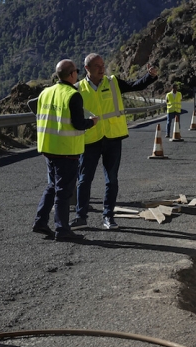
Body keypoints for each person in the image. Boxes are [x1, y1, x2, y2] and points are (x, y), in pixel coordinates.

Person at [70, 53, 157, 231]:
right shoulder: (77, 89)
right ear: (87, 69)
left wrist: (150, 76)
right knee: (84, 180)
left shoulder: (113, 82)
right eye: (97, 66)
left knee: (111, 180)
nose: (102, 68)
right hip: (90, 140)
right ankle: (81, 217)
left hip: (112, 137)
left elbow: (135, 85)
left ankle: (108, 217)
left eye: (103, 65)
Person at [32, 59, 98, 241]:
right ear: (71, 74)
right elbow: (77, 123)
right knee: (63, 191)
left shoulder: (46, 92)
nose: (77, 73)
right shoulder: (72, 94)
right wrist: (92, 122)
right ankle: (62, 229)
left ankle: (41, 222)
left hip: (48, 147)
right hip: (66, 150)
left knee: (52, 187)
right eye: (76, 71)